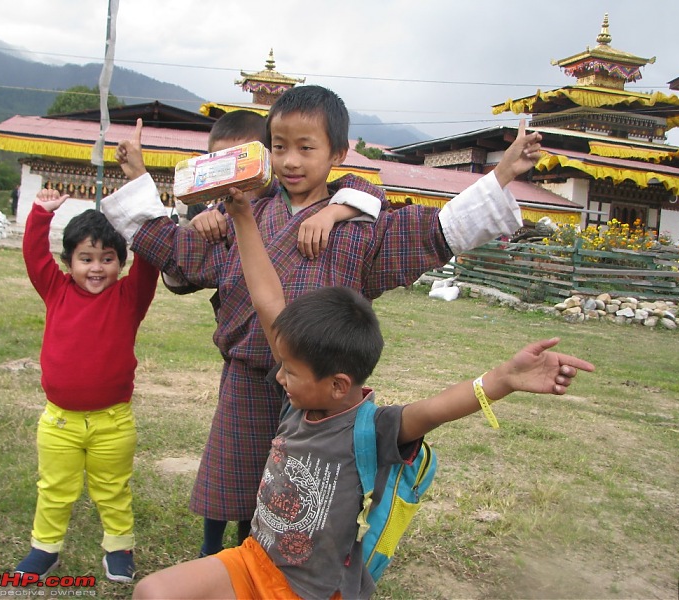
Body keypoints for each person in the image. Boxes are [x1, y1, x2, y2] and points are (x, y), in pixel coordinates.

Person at [102, 84, 539, 563]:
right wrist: (141, 178)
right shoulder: (244, 210)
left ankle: (280, 563)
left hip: (323, 393)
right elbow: (180, 252)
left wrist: (500, 173)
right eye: (279, 146)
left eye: (306, 148)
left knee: (300, 494)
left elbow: (432, 231)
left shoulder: (358, 225)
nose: (291, 161)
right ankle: (225, 557)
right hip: (248, 377)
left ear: (338, 153)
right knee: (238, 475)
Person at [131, 182, 596, 600]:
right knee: (153, 591)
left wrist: (504, 379)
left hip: (307, 592)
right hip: (253, 560)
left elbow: (437, 409)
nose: (279, 377)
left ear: (338, 386)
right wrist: (244, 218)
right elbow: (268, 298)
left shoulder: (370, 429)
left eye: (289, 372)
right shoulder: (303, 393)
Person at [113, 109, 385, 557]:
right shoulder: (227, 213)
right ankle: (212, 551)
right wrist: (155, 185)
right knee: (232, 467)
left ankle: (263, 550)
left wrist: (335, 211)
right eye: (217, 165)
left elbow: (369, 190)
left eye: (239, 162)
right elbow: (184, 264)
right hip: (246, 366)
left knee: (285, 476)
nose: (291, 161)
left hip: (312, 375)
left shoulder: (338, 203)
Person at [16, 188, 159, 583]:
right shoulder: (56, 290)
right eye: (86, 259)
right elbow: (33, 255)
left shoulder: (130, 297)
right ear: (68, 263)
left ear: (121, 262)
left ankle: (119, 548)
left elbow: (149, 262)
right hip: (59, 423)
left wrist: (145, 212)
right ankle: (44, 548)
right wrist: (40, 215)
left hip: (113, 423)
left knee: (112, 489)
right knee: (55, 489)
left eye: (107, 259)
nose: (97, 268)